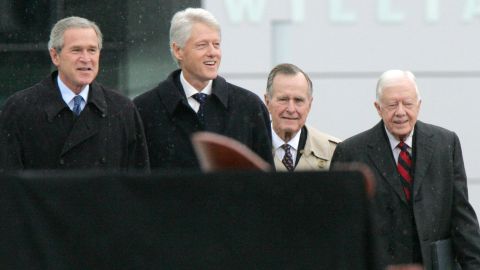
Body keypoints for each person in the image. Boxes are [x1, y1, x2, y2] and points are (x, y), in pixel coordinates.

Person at [331, 70, 480, 269]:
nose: (400, 112)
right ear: (378, 108)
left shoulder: (445, 144)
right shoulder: (351, 152)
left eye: (408, 104)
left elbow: (462, 219)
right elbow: (341, 230)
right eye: (392, 105)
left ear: (419, 105)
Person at [0, 16, 149, 172]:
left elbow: (138, 186)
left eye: (92, 50)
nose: (86, 59)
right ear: (55, 56)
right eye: (76, 50)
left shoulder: (122, 109)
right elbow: (9, 185)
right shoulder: (20, 109)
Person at [134, 8, 273, 170]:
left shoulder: (249, 106)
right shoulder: (144, 109)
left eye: (216, 44)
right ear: (178, 50)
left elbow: (267, 182)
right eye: (202, 45)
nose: (213, 53)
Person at [264, 63, 340, 171]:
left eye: (298, 100)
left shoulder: (334, 152)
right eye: (283, 99)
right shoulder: (248, 150)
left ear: (309, 105)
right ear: (267, 102)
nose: (291, 109)